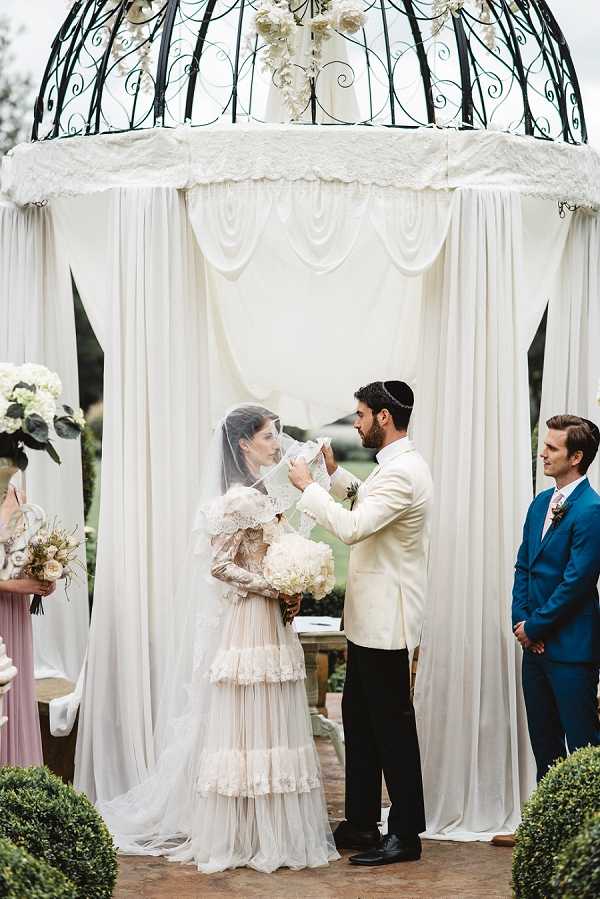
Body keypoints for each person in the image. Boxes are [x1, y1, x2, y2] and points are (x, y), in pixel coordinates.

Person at [99, 404, 338, 873]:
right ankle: (244, 832)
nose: (278, 442)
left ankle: (266, 826)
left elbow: (278, 551)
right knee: (249, 722)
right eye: (270, 436)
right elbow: (221, 565)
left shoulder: (263, 496)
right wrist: (271, 586)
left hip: (271, 620)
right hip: (248, 622)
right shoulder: (237, 500)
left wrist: (292, 588)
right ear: (245, 443)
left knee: (271, 721)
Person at [288, 381, 433, 867]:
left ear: (384, 418)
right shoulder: (394, 468)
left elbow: (353, 527)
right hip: (369, 621)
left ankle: (406, 834)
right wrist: (334, 477)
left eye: (360, 414)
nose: (355, 422)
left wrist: (308, 487)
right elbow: (366, 499)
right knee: (361, 721)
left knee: (391, 728)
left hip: (387, 622)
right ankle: (361, 823)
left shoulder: (404, 472)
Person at [512, 414, 600, 784]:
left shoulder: (592, 510)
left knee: (582, 750)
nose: (542, 453)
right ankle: (545, 835)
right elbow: (523, 566)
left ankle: (585, 838)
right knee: (544, 745)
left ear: (576, 456)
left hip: (571, 651)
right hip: (533, 650)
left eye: (551, 447)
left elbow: (576, 582)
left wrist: (536, 626)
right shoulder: (540, 502)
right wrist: (520, 622)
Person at [0, 482, 55, 765]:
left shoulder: (19, 494)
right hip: (4, 608)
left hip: (15, 616)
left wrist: (42, 578)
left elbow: (22, 559)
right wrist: (20, 586)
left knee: (15, 694)